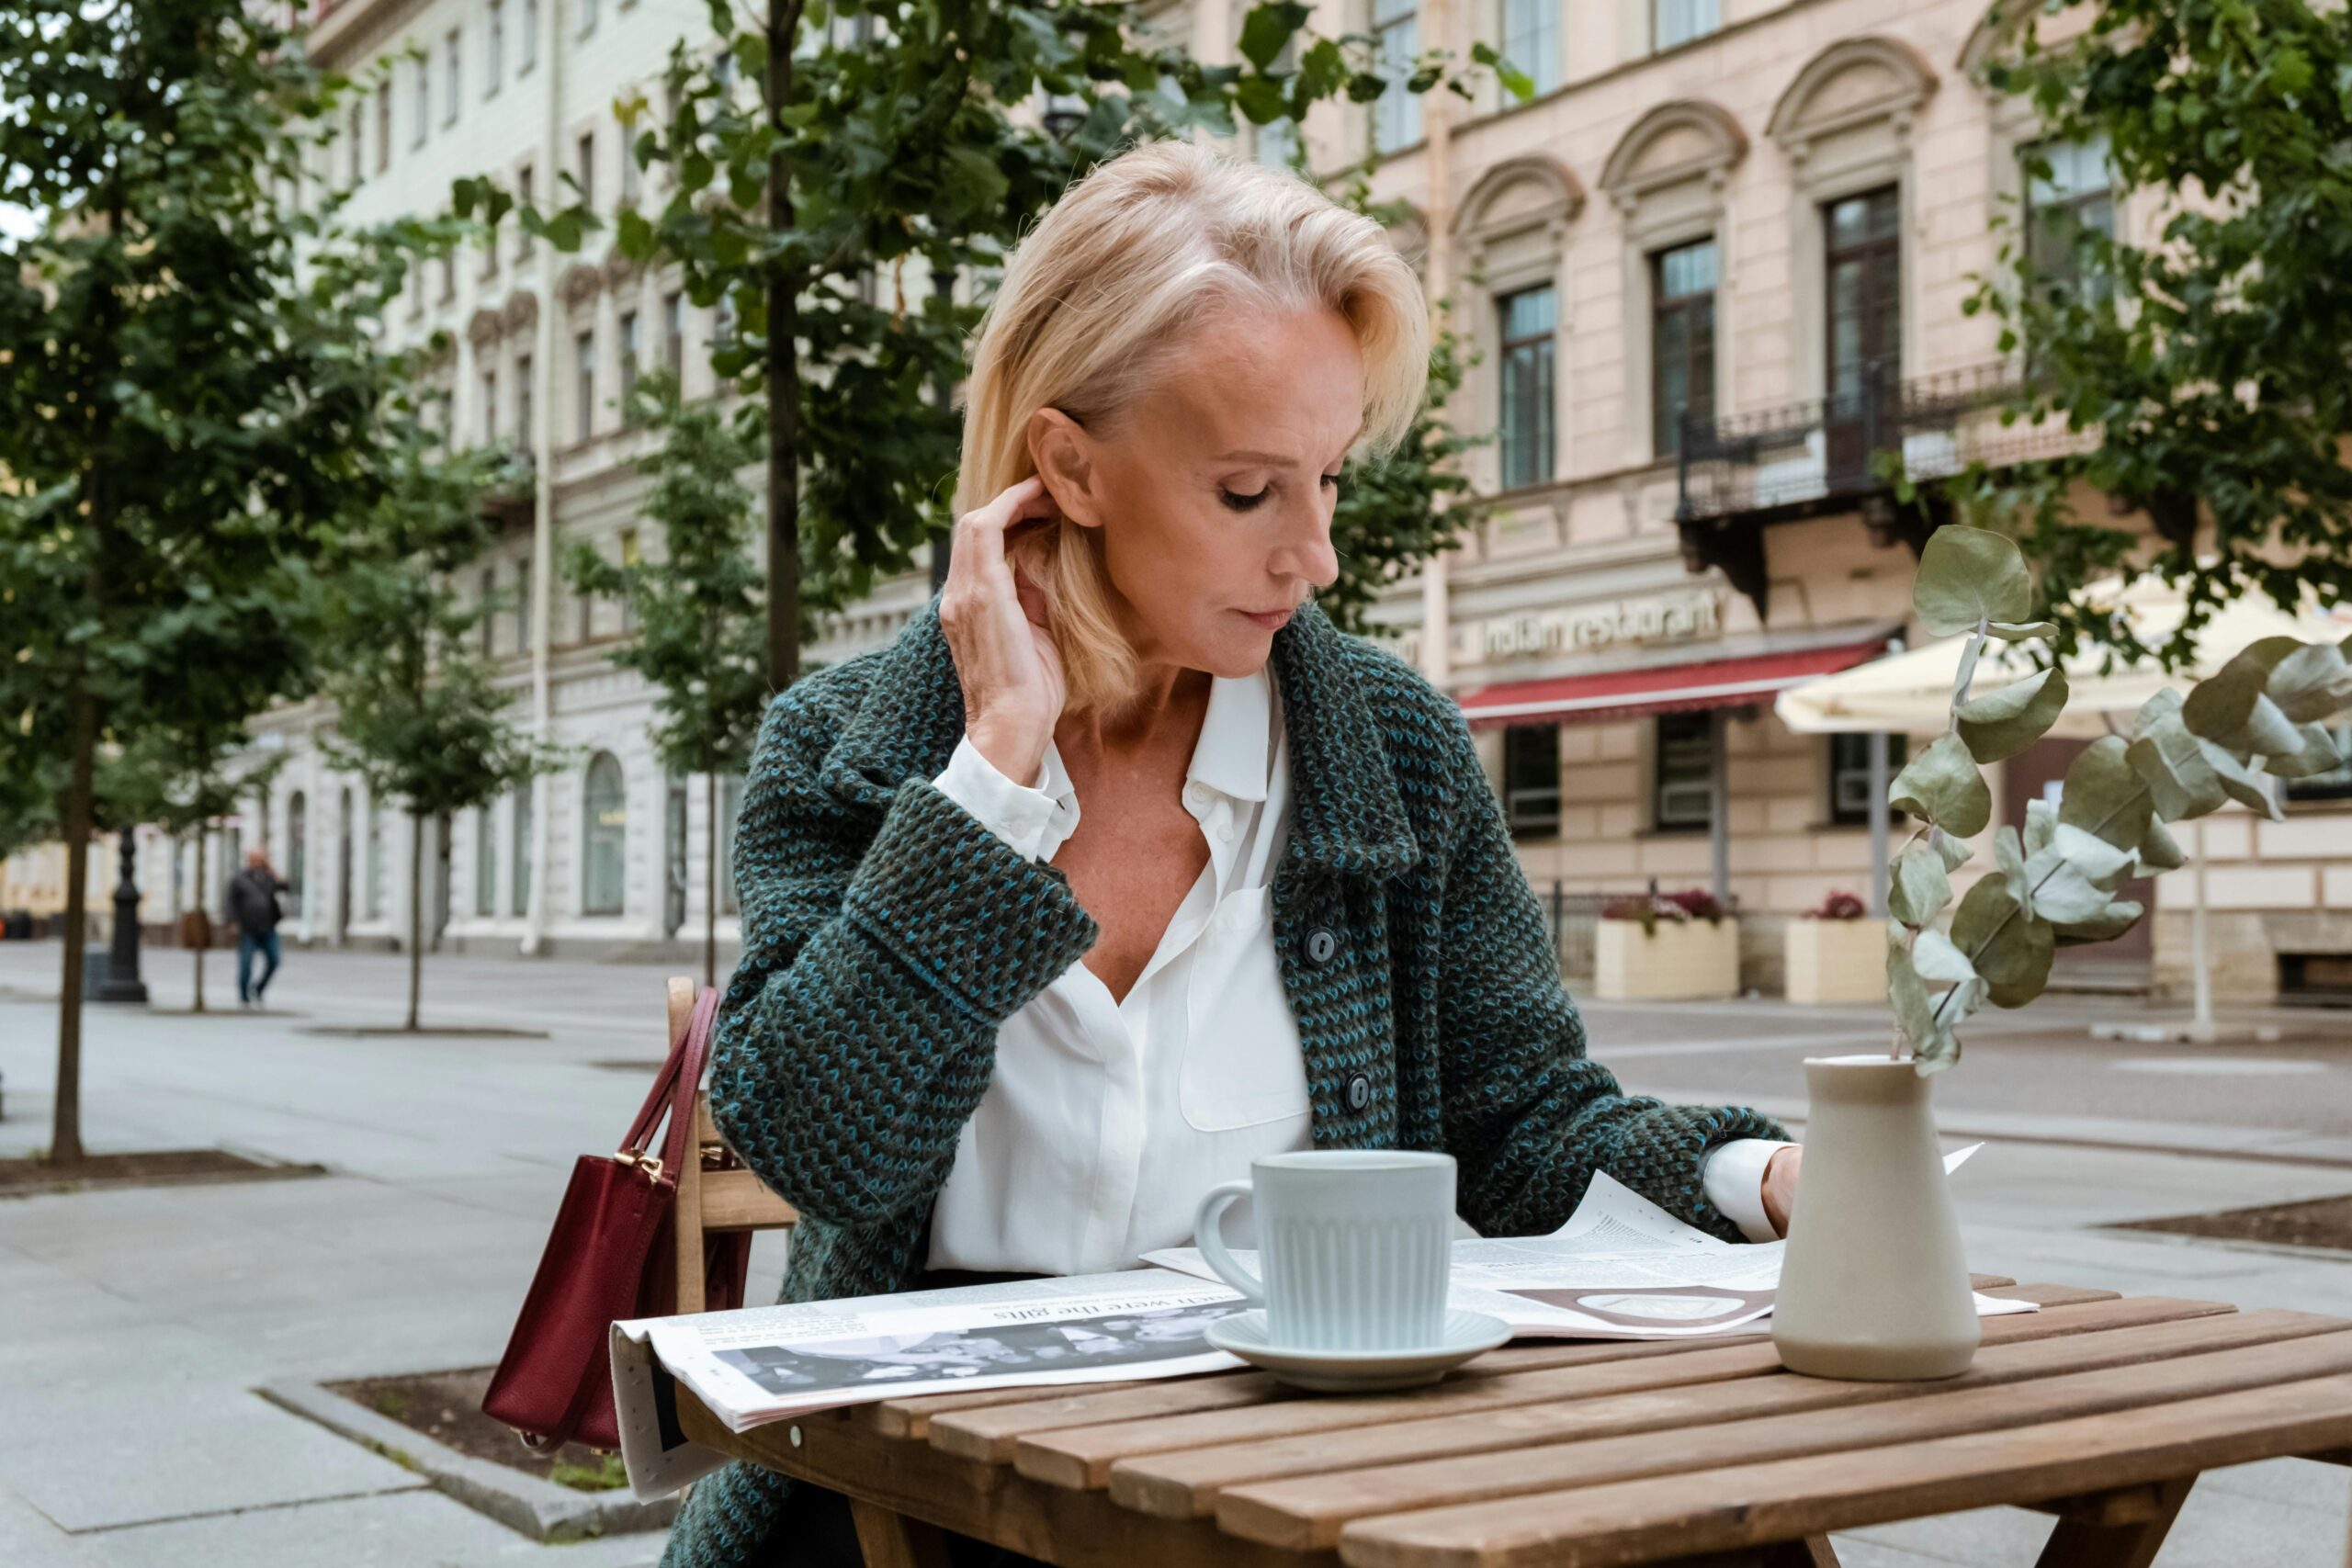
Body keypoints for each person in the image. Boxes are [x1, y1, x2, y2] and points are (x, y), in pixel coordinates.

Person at [660, 141, 1804, 1568]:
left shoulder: (1389, 741)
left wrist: (1763, 1176)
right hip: (926, 1497)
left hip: (1304, 1475)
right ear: (1068, 464)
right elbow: (819, 1142)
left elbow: (1521, 1125)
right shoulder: (847, 748)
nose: (1316, 554)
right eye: (1251, 492)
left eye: (1328, 479)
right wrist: (994, 768)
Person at [225, 848, 288, 1010]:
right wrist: (233, 922)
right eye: (256, 859)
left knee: (275, 961)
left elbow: (285, 887)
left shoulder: (268, 878)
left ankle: (258, 990)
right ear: (249, 860)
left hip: (268, 927)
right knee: (246, 964)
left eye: (262, 860)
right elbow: (230, 902)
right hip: (248, 928)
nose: (259, 863)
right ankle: (244, 997)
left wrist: (271, 869)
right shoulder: (239, 879)